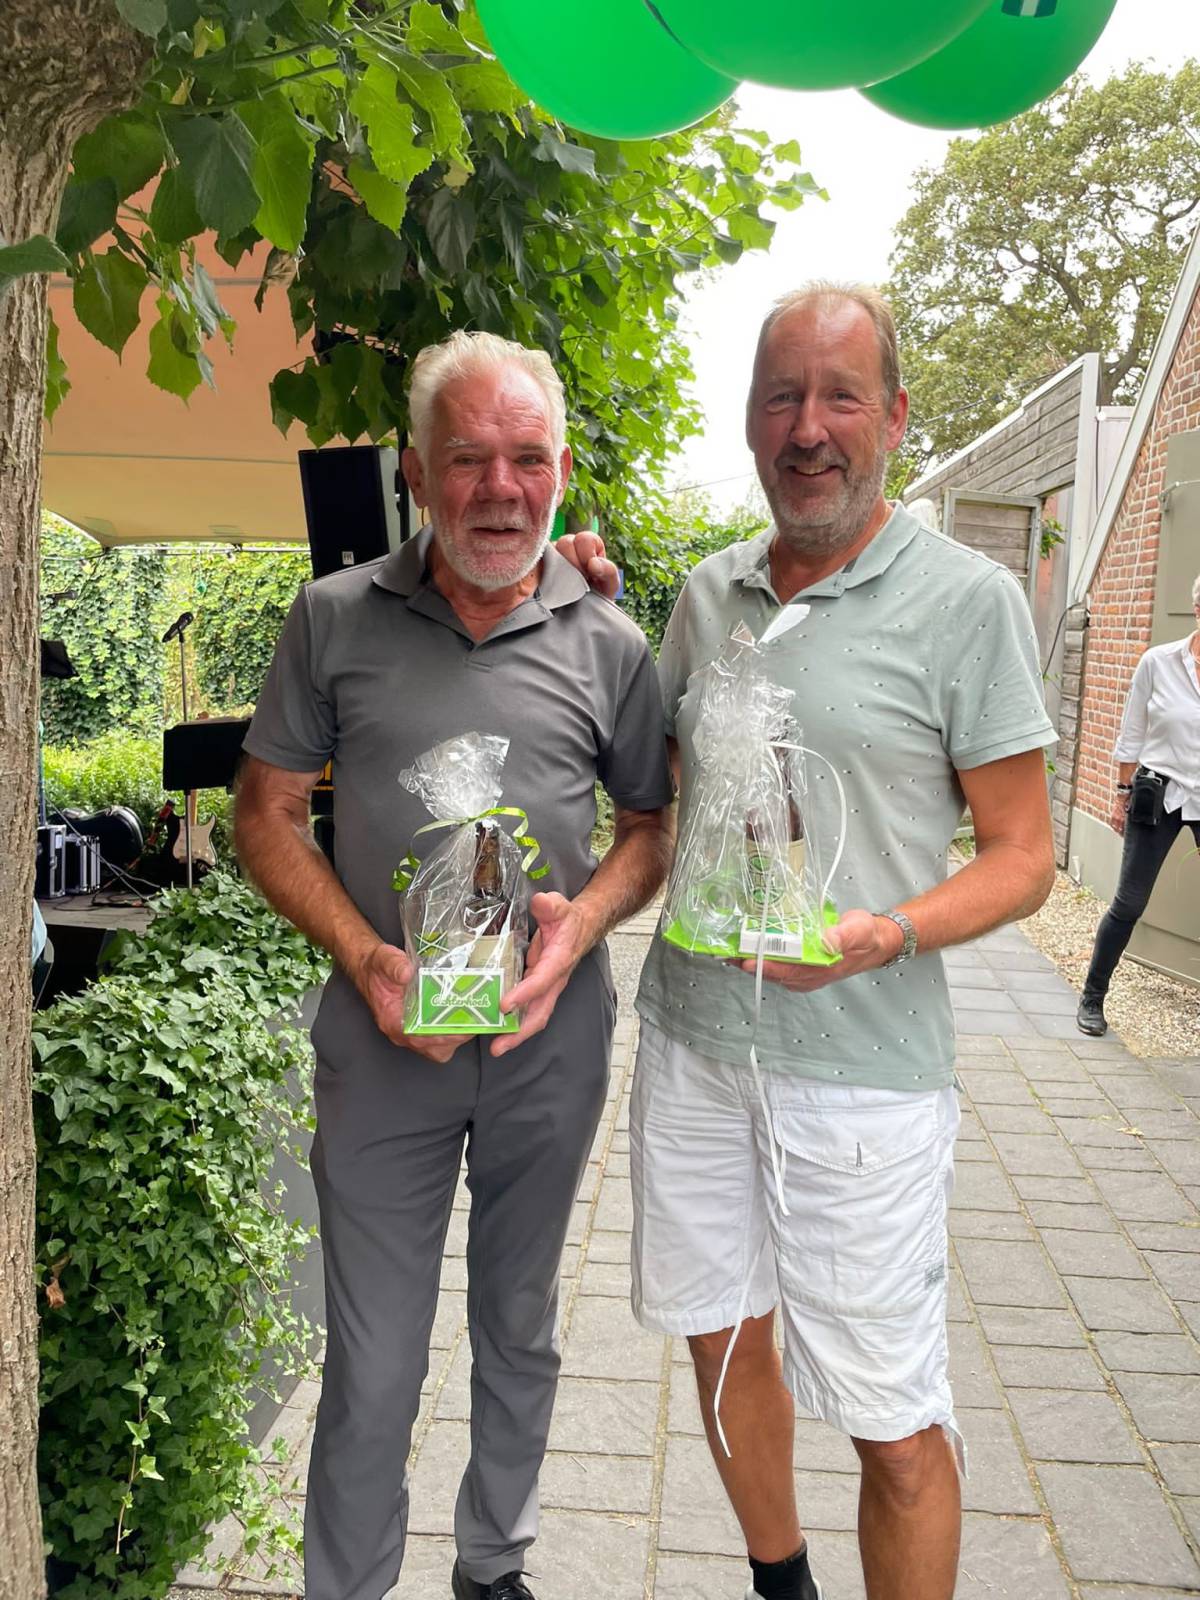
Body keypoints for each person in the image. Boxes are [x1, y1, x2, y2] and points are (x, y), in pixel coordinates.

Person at [559, 282, 1056, 1600]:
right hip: (694, 1043)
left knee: (893, 1417)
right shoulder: (707, 592)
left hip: (864, 1070)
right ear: (750, 420)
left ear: (894, 416)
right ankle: (782, 1582)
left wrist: (889, 931)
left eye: (841, 395)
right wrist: (582, 613)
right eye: (782, 396)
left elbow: (1026, 856)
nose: (809, 427)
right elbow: (665, 794)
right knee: (720, 1340)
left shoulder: (968, 601)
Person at [234, 331, 674, 1600]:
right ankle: (349, 1584)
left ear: (561, 471)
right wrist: (366, 955)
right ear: (417, 474)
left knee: (519, 1323)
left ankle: (493, 1565)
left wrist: (582, 926)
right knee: (373, 1358)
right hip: (383, 1044)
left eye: (527, 458)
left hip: (550, 1041)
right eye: (468, 458)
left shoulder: (612, 643)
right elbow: (264, 812)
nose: (500, 488)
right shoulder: (332, 618)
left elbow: (649, 828)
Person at [1076, 574, 1200, 1035]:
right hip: (1158, 794)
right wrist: (1121, 794)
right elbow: (1131, 732)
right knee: (1129, 902)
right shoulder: (1158, 662)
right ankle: (1092, 996)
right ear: (1198, 609)